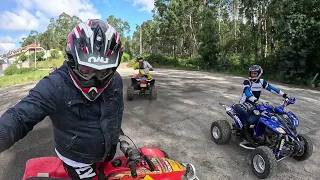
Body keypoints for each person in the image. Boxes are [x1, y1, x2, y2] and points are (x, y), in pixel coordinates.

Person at [0, 19, 124, 180]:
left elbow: (116, 112)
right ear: (72, 60)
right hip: (76, 160)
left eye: (103, 71)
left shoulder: (116, 80)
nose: (95, 79)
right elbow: (18, 118)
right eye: (87, 69)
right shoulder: (54, 84)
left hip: (108, 152)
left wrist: (120, 138)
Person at [236, 65, 292, 143]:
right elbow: (247, 92)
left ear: (259, 74)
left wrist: (284, 94)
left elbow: (272, 89)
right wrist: (255, 100)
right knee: (251, 120)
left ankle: (264, 132)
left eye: (255, 73)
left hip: (256, 104)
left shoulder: (262, 82)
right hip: (245, 103)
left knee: (268, 116)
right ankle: (247, 133)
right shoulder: (247, 81)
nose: (252, 75)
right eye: (251, 73)